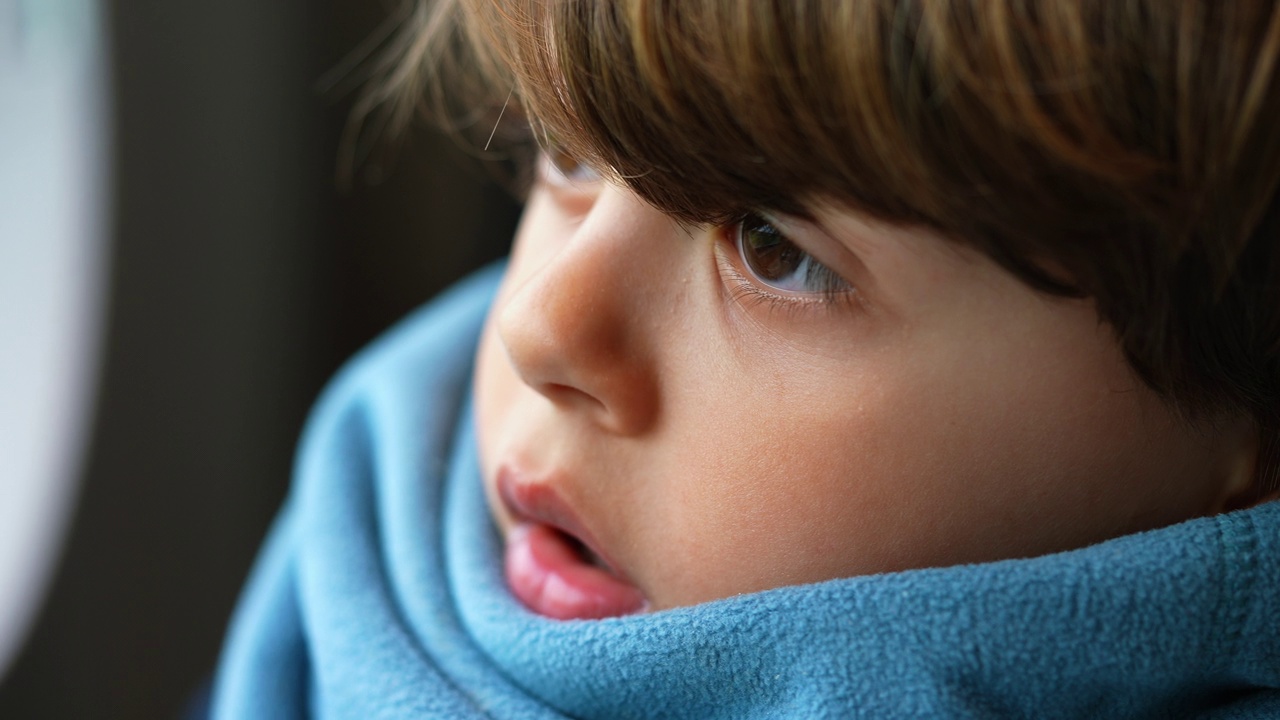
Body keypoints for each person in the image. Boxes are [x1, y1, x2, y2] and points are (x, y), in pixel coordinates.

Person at [206, 1, 1280, 717]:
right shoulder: (373, 507)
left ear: (1242, 423)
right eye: (569, 152)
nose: (539, 326)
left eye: (774, 250)